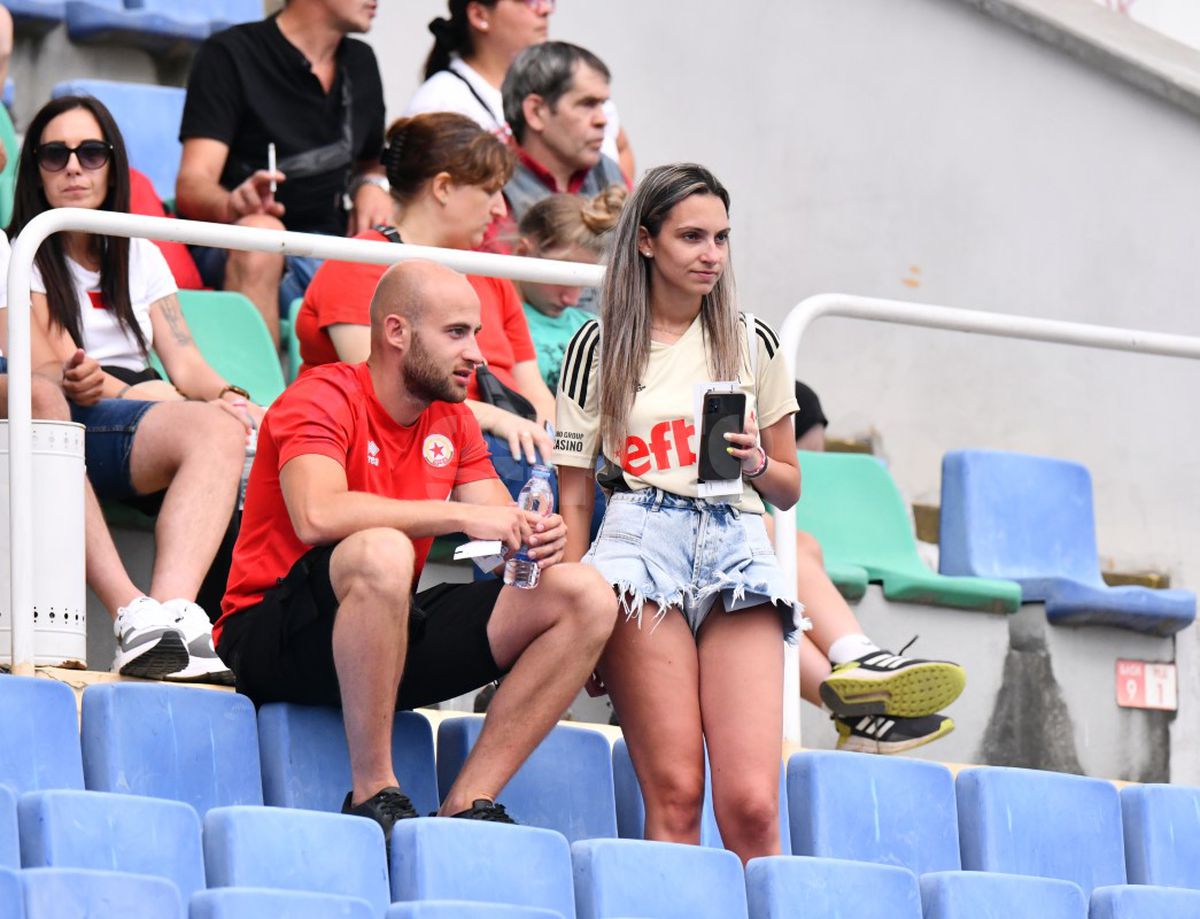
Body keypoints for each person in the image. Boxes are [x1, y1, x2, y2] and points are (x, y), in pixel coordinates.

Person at [216, 259, 616, 837]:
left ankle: (468, 801)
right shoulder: (322, 394)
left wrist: (528, 541)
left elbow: (498, 531)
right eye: (457, 333)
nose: (477, 354)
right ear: (396, 332)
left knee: (584, 593)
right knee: (383, 551)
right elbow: (316, 514)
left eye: (476, 333)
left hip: (383, 634)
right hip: (270, 639)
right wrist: (464, 514)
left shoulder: (451, 419)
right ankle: (374, 791)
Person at [556, 164, 799, 864]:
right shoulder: (596, 346)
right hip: (637, 541)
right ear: (644, 241)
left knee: (753, 804)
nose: (710, 255)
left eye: (721, 238)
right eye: (692, 236)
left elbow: (787, 486)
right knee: (676, 793)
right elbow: (576, 497)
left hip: (737, 543)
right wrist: (578, 613)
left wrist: (754, 461)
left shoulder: (754, 340)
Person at [7, 94, 259, 683]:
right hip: (74, 417)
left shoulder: (139, 252)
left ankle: (171, 621)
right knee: (210, 428)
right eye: (55, 154)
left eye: (91, 153)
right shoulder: (24, 250)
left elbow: (187, 363)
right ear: (35, 170)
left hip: (136, 414)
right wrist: (111, 383)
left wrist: (237, 397)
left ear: (114, 165)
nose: (74, 167)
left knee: (231, 426)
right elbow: (50, 370)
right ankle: (141, 619)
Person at [296, 112, 556, 500]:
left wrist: (557, 445)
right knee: (519, 472)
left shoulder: (492, 271)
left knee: (595, 479)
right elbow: (387, 395)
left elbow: (536, 392)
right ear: (444, 188)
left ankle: (567, 562)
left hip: (501, 440)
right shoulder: (361, 260)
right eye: (490, 191)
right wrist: (500, 421)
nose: (501, 210)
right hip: (408, 446)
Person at [175, 0, 390, 345]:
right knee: (261, 235)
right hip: (240, 245)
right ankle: (255, 395)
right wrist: (234, 204)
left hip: (330, 249)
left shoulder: (362, 61)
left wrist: (372, 184)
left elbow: (371, 161)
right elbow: (192, 184)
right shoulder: (229, 53)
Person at [407, 0, 635, 179]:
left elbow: (620, 145)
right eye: (528, 0)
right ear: (479, 14)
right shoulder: (442, 102)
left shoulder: (570, 81)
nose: (546, 9)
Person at [495, 41, 627, 253]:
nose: (602, 120)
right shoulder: (491, 185)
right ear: (536, 112)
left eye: (603, 105)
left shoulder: (609, 171)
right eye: (587, 104)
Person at [513, 187, 625, 391]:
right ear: (523, 253)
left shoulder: (591, 325)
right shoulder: (499, 320)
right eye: (562, 278)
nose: (572, 299)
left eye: (582, 282)